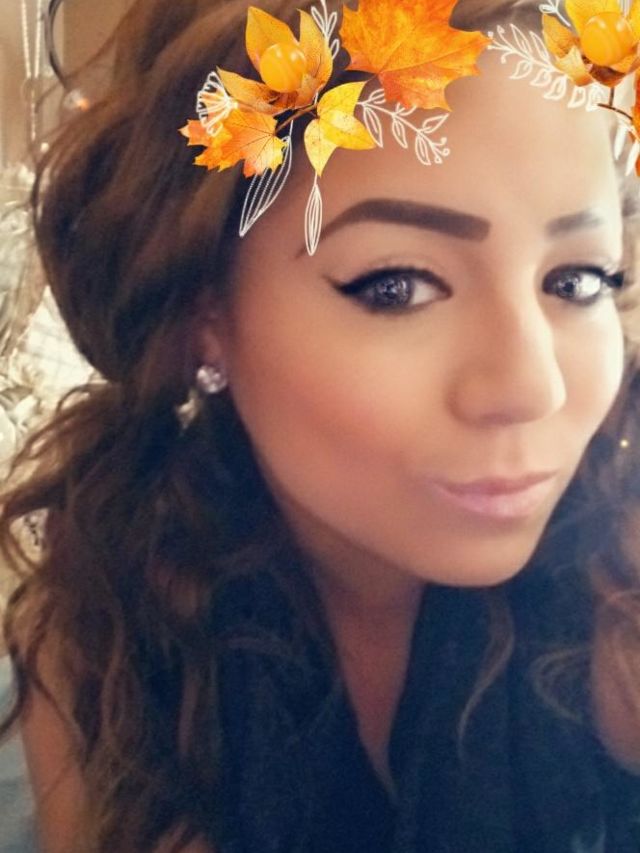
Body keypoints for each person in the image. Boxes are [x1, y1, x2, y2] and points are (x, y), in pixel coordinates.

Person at [1, 0, 640, 850]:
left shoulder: (616, 584)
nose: (533, 386)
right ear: (206, 313)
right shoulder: (108, 628)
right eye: (397, 286)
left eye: (579, 279)